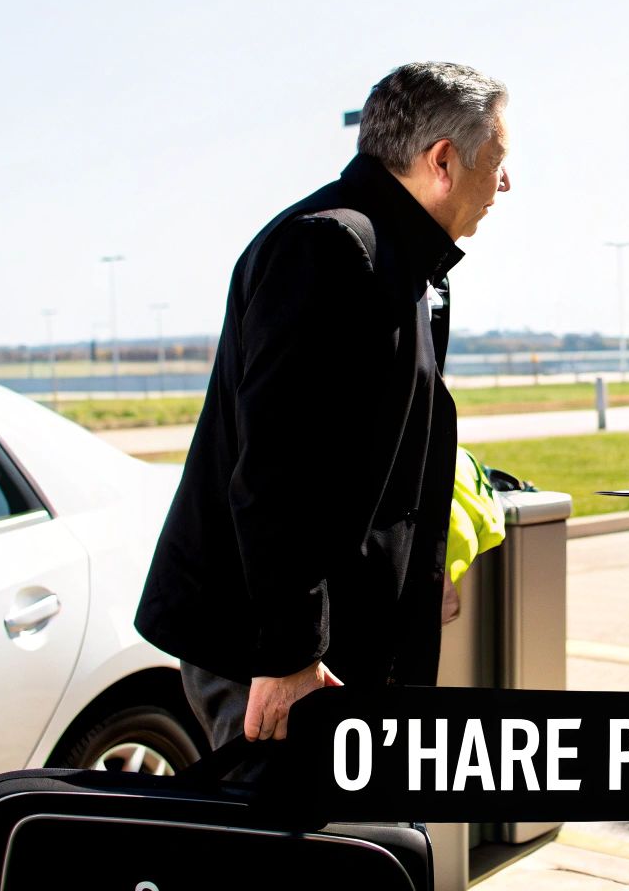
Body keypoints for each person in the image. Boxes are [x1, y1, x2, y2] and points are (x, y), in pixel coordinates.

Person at [135, 61, 511, 754]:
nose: (505, 184)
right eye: (497, 160)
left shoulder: (405, 266)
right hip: (280, 662)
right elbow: (277, 474)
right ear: (443, 161)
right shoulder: (330, 249)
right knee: (290, 855)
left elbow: (384, 460)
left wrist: (426, 580)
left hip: (345, 643)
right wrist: (288, 656)